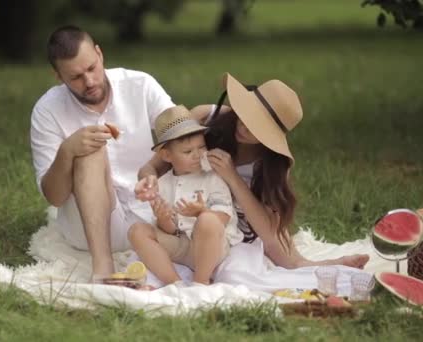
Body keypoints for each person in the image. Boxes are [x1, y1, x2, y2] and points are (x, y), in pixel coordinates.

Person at [134, 73, 370, 270]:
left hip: (241, 222)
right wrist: (149, 182)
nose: (245, 128)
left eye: (257, 127)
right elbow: (151, 166)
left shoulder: (272, 164)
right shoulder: (206, 117)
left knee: (286, 255)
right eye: (245, 117)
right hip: (188, 211)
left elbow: (268, 232)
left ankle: (325, 265)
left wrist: (232, 178)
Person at [29, 25, 175, 281]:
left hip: (152, 215)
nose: (89, 82)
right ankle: (103, 267)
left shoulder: (140, 85)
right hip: (88, 227)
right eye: (75, 77)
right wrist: (67, 152)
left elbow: (179, 133)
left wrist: (151, 169)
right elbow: (54, 197)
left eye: (91, 68)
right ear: (58, 76)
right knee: (89, 150)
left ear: (99, 54)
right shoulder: (47, 110)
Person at [128, 105, 242, 286]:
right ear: (166, 155)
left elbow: (223, 217)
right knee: (138, 230)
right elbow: (171, 231)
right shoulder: (163, 184)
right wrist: (164, 219)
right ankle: (175, 283)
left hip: (212, 247)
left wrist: (201, 212)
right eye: (188, 152)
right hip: (183, 246)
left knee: (208, 220)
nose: (197, 155)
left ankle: (200, 282)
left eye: (201, 147)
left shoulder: (213, 177)